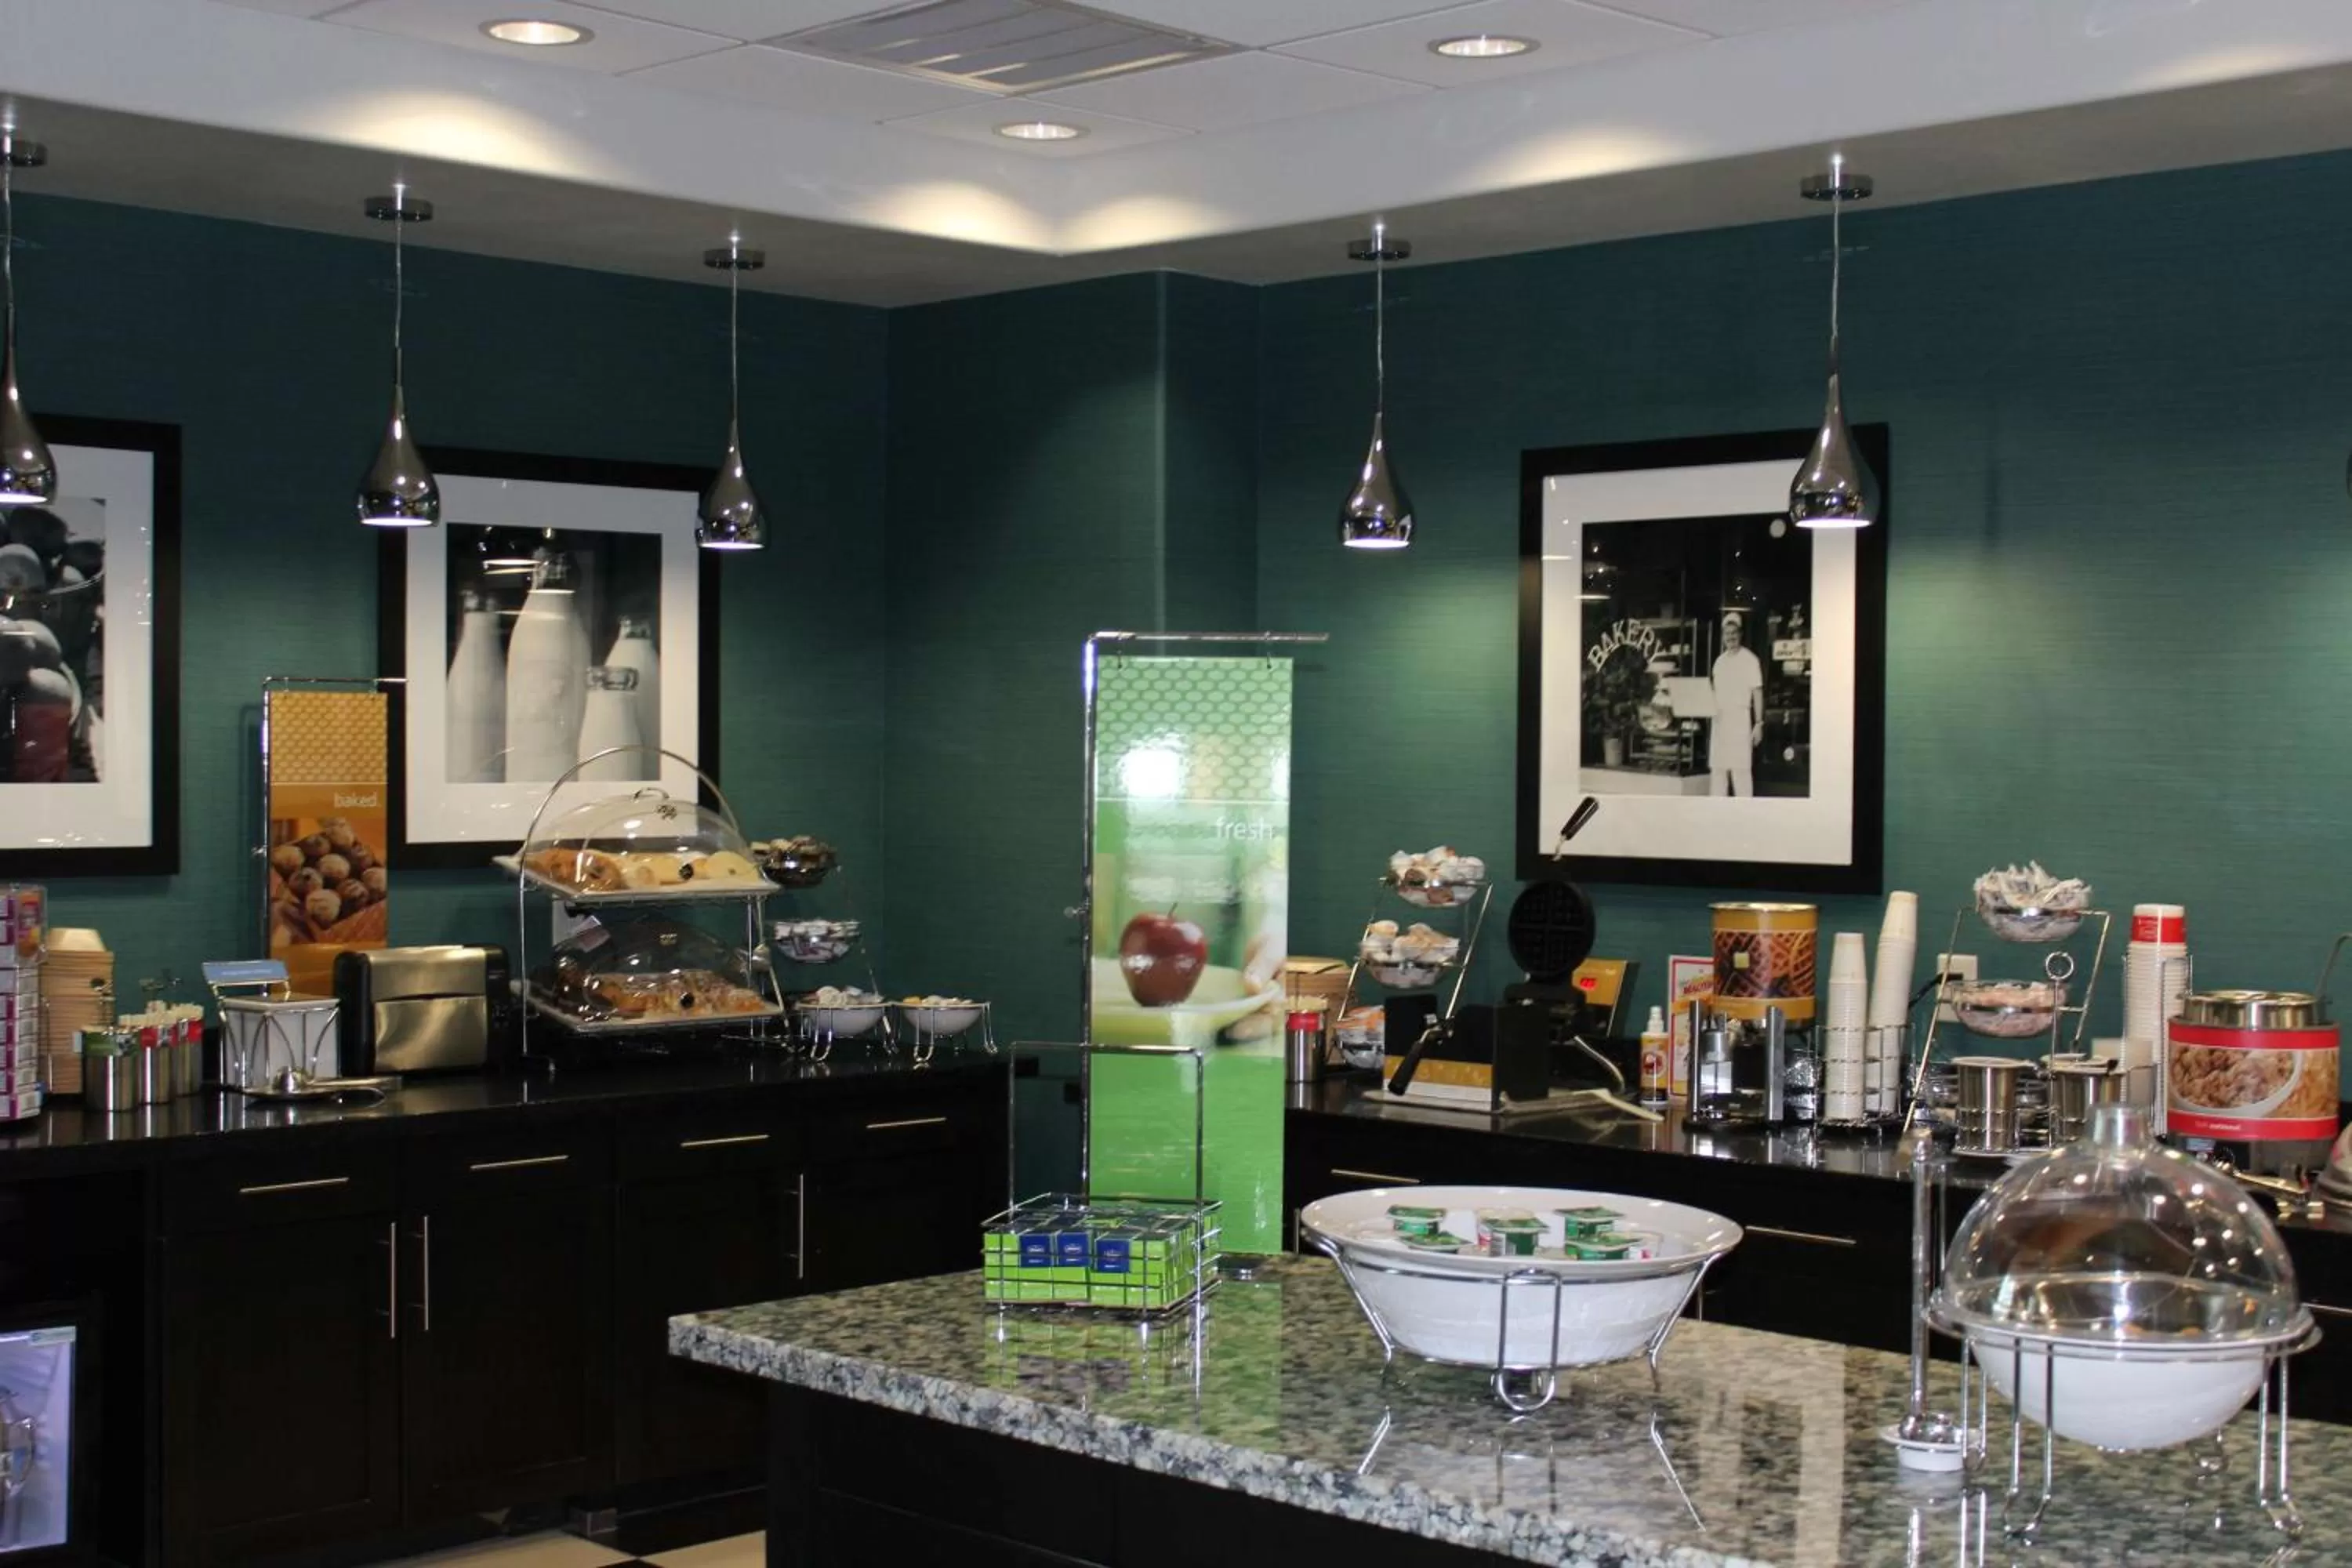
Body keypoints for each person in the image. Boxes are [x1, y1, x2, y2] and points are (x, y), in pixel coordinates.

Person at [1709, 611, 1765, 797]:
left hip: (1740, 720)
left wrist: (1759, 723)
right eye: (1727, 633)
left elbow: (1757, 692)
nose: (1731, 637)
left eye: (1734, 633)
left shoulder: (1750, 660)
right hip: (1720, 721)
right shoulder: (1719, 662)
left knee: (1741, 773)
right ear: (1723, 636)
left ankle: (1745, 815)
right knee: (1718, 771)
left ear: (1740, 634)